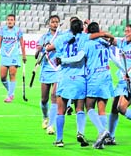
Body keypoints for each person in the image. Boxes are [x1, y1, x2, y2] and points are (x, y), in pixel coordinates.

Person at [46, 19, 112, 147]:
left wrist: (48, 48)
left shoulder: (61, 38)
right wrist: (106, 35)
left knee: (61, 110)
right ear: (82, 28)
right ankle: (80, 132)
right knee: (80, 109)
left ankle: (59, 140)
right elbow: (96, 35)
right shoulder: (85, 38)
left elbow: (49, 48)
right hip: (80, 78)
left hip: (64, 77)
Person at [36, 15, 62, 135]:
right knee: (44, 99)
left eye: (57, 22)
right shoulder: (44, 37)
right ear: (49, 24)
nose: (55, 24)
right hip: (46, 69)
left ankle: (51, 125)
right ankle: (45, 117)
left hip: (58, 69)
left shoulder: (61, 37)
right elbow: (37, 53)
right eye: (53, 22)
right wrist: (39, 50)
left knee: (54, 96)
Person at [0, 14, 26, 103]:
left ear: (14, 21)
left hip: (14, 56)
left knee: (12, 75)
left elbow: (22, 43)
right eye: (8, 19)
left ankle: (10, 96)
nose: (10, 21)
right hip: (4, 56)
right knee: (2, 77)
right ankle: (11, 91)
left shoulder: (18, 31)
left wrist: (24, 55)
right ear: (6, 21)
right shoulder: (2, 30)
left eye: (11, 20)